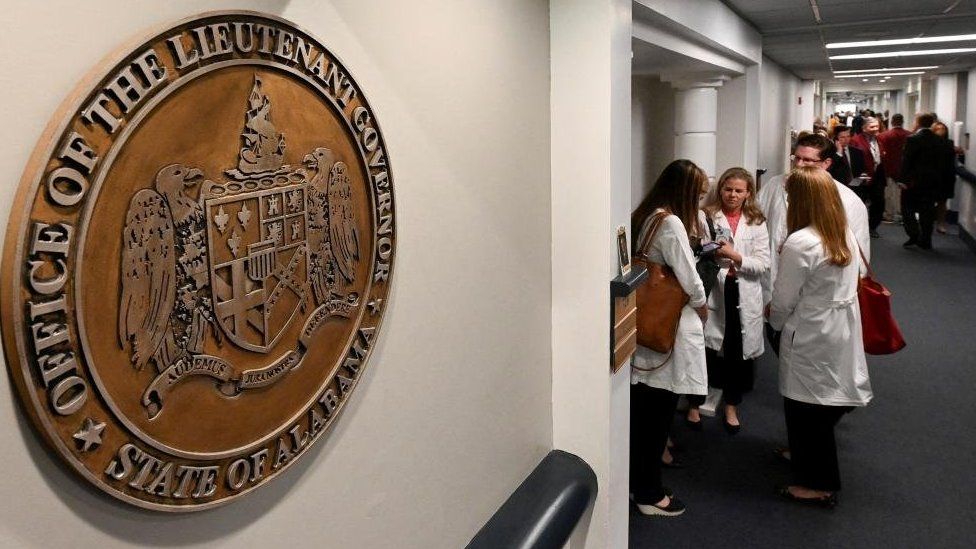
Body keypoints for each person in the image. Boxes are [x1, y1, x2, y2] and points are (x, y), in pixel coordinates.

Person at [768, 166, 873, 507]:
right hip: (839, 326)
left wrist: (776, 321)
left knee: (805, 406)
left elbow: (784, 299)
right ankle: (805, 457)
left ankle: (818, 484)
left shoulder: (801, 242)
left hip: (810, 329)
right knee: (825, 397)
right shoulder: (841, 230)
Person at [630, 159, 709, 517]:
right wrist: (703, 304)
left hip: (643, 327)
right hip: (666, 329)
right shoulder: (672, 221)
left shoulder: (647, 216)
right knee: (657, 416)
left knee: (644, 412)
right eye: (699, 194)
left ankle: (641, 485)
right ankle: (649, 493)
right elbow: (690, 279)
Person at [685, 168, 770, 434]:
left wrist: (735, 256)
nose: (732, 195)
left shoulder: (756, 221)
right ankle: (694, 403)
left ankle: (732, 404)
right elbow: (695, 252)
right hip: (714, 289)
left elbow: (763, 264)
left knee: (737, 351)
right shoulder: (706, 216)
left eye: (739, 191)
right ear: (720, 189)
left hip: (742, 290)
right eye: (728, 189)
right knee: (705, 349)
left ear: (748, 194)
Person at [757, 133, 870, 310]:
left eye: (808, 160)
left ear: (826, 164)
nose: (800, 165)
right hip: (775, 288)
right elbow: (756, 225)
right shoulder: (774, 186)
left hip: (822, 301)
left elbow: (860, 264)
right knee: (776, 329)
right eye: (797, 158)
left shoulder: (848, 202)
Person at [901, 113, 954, 250]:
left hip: (914, 182)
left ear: (918, 122)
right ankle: (926, 239)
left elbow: (907, 161)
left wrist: (903, 180)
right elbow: (945, 165)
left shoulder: (913, 139)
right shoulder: (941, 141)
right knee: (927, 211)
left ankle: (913, 234)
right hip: (933, 183)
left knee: (907, 209)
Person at [850, 117, 886, 237]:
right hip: (861, 178)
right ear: (864, 128)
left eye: (877, 126)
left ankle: (872, 227)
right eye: (872, 127)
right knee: (858, 204)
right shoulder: (855, 140)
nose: (875, 129)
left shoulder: (879, 139)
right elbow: (853, 160)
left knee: (879, 203)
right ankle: (855, 228)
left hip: (877, 177)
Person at [878, 113, 911, 224]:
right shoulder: (910, 136)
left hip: (888, 168)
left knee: (889, 194)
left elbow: (881, 154)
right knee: (902, 193)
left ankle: (889, 215)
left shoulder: (883, 136)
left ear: (892, 122)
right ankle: (901, 214)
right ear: (902, 122)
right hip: (904, 169)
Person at [931, 121, 957, 234]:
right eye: (938, 128)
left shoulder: (950, 143)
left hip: (946, 176)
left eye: (943, 128)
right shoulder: (929, 143)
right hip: (932, 176)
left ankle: (941, 223)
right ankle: (928, 223)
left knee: (942, 202)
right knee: (929, 202)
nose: (941, 130)